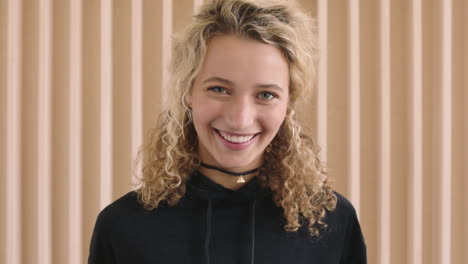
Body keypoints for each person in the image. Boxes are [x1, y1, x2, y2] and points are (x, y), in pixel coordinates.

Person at [88, 0, 367, 263]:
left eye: (266, 95)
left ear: (288, 103)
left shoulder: (332, 222)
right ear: (188, 91)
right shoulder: (123, 227)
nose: (240, 119)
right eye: (219, 89)